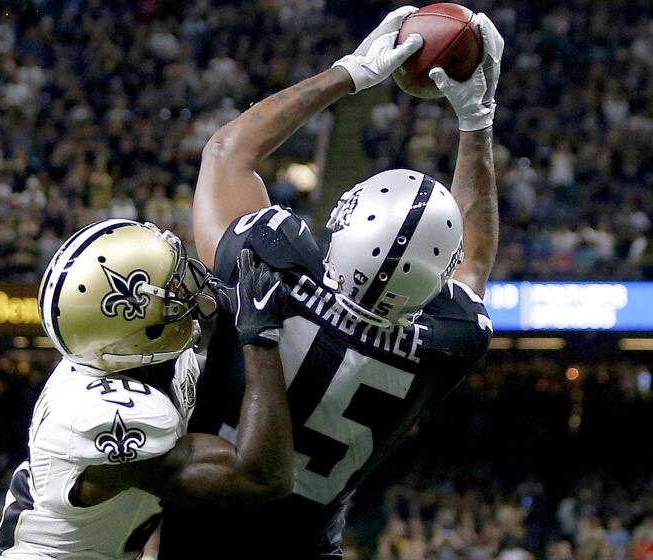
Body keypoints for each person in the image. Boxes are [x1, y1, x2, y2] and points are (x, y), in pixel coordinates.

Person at [160, 6, 502, 559]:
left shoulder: (269, 260)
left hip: (196, 537)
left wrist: (351, 73)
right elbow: (475, 262)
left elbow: (226, 153)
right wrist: (476, 119)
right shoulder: (448, 342)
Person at [0, 219, 294, 559]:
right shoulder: (102, 414)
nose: (188, 287)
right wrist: (259, 334)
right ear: (135, 323)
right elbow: (262, 476)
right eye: (171, 289)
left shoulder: (126, 356)